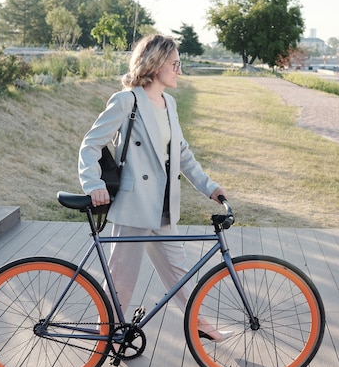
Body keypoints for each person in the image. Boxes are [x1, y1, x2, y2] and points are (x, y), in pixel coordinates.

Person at [78, 34, 230, 341]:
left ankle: (197, 321)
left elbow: (182, 153)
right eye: (175, 64)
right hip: (134, 205)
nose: (179, 71)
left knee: (179, 271)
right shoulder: (126, 100)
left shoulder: (169, 103)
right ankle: (105, 333)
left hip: (163, 206)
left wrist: (210, 188)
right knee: (121, 279)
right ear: (156, 63)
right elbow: (90, 144)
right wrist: (93, 184)